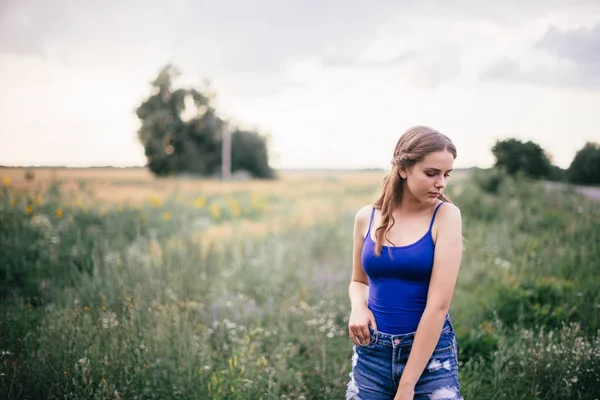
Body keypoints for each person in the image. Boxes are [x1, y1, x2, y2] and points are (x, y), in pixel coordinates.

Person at [346, 126, 463, 400]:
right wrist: (358, 308)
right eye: (431, 173)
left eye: (446, 175)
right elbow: (358, 281)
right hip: (372, 353)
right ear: (403, 169)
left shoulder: (446, 217)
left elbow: (438, 307)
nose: (441, 183)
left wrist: (407, 385)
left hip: (430, 358)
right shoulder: (367, 217)